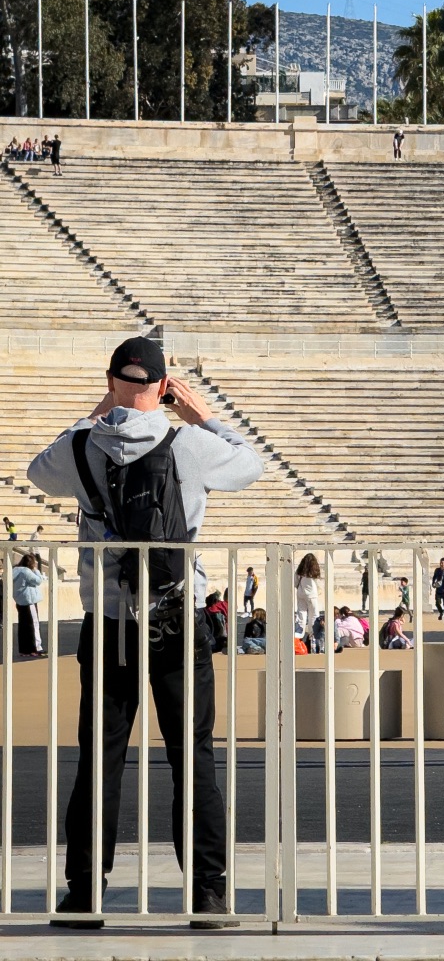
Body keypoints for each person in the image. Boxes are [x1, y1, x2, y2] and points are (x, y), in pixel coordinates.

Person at [27, 334, 263, 926]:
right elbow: (252, 464)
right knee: (194, 759)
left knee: (99, 759)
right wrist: (203, 416)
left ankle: (85, 892)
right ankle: (207, 892)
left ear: (111, 381)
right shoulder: (190, 445)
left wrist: (97, 411)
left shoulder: (81, 447)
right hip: (177, 619)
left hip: (109, 622)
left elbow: (38, 471)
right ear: (163, 387)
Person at [13, 552, 47, 656]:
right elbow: (38, 581)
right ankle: (36, 648)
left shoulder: (15, 571)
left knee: (23, 626)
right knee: (33, 624)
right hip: (29, 600)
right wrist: (36, 570)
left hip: (20, 600)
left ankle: (24, 650)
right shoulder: (26, 571)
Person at [294, 554, 322, 636]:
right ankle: (312, 633)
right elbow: (319, 584)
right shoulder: (314, 571)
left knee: (301, 614)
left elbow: (295, 582)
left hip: (300, 593)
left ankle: (299, 634)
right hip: (311, 595)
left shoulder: (299, 571)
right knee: (313, 615)